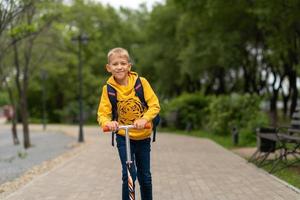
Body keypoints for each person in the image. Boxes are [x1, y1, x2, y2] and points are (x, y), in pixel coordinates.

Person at [97, 47, 160, 200]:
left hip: (143, 137)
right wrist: (108, 123)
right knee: (129, 175)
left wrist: (144, 119)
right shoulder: (108, 89)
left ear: (129, 66)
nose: (119, 67)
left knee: (145, 176)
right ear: (108, 68)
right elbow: (102, 114)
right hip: (123, 137)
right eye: (115, 64)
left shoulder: (141, 83)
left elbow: (154, 105)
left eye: (123, 63)